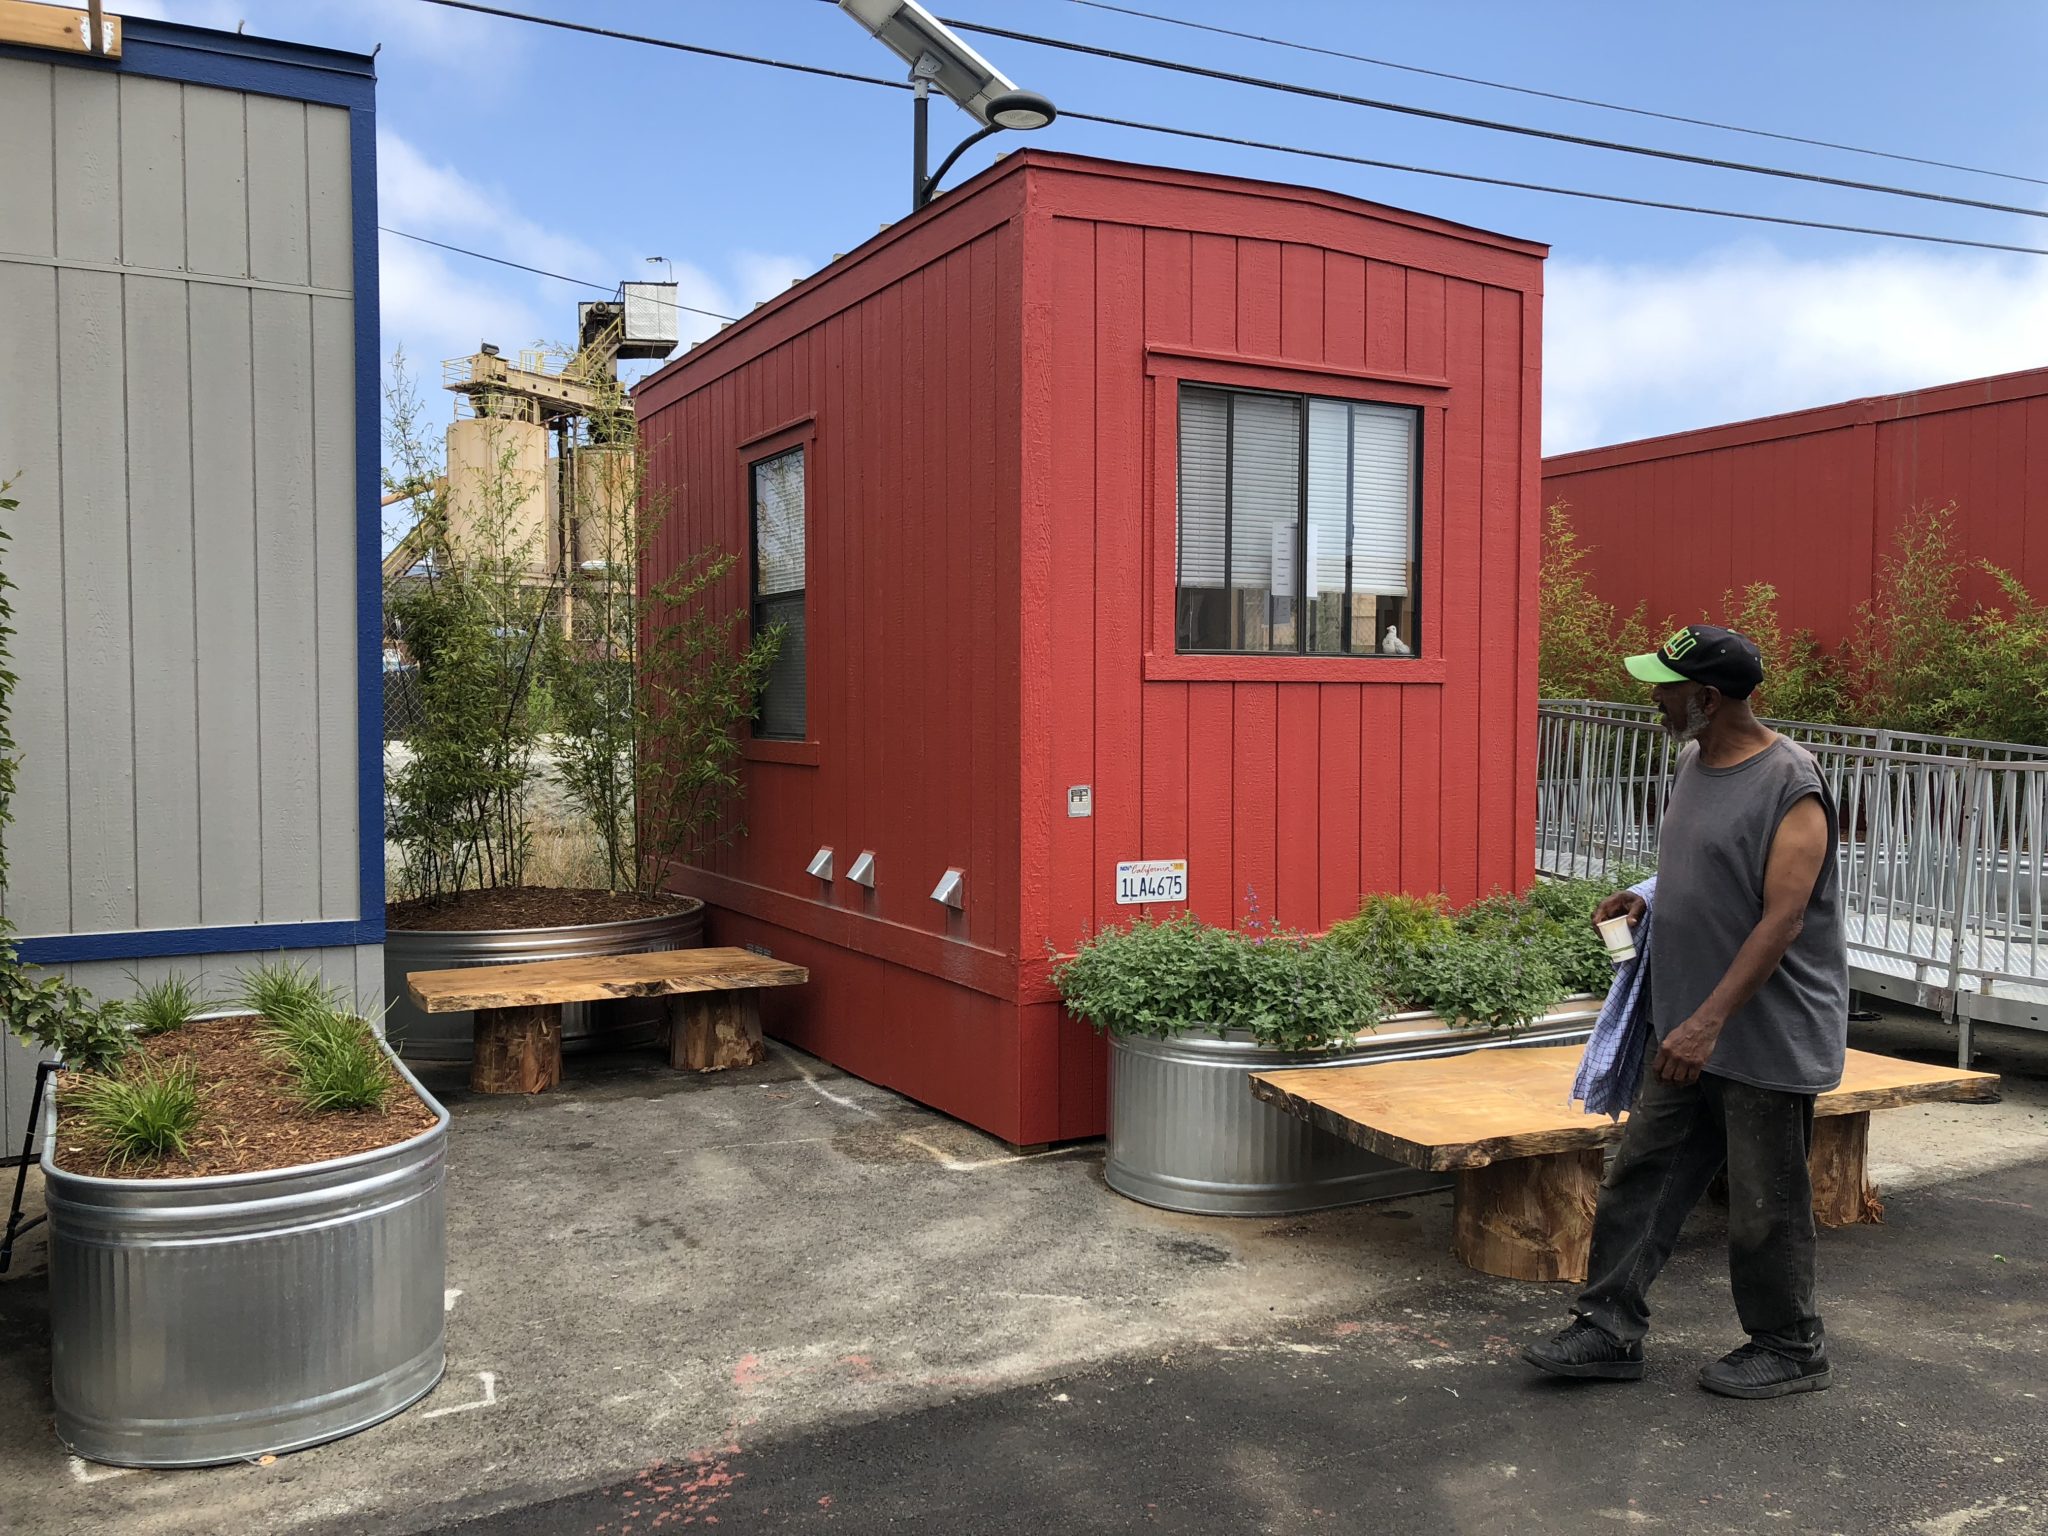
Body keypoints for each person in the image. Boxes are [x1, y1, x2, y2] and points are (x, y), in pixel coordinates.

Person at [1524, 624, 1848, 1399]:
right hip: (1681, 1027)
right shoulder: (1693, 762)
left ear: (1707, 697)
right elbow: (1706, 867)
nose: (1654, 700)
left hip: (1760, 1035)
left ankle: (1791, 1345)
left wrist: (1708, 1024)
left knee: (1765, 1204)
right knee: (1642, 1177)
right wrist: (1647, 894)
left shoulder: (1792, 786)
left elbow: (1782, 920)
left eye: (1665, 688)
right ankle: (1607, 1329)